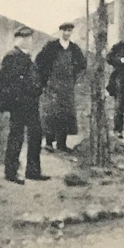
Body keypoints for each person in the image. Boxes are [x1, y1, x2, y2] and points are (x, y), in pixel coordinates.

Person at [0, 26, 46, 183]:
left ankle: (33, 170)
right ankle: (11, 172)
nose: (27, 41)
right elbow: (5, 82)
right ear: (17, 40)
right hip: (19, 104)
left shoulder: (26, 56)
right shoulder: (12, 57)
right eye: (23, 38)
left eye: (29, 38)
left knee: (35, 135)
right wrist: (12, 102)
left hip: (31, 103)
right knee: (16, 136)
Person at [35, 23, 87, 154]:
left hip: (67, 87)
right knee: (51, 113)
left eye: (69, 31)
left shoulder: (74, 49)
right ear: (60, 32)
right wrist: (45, 80)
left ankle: (61, 144)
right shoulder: (51, 46)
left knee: (65, 114)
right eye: (65, 31)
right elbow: (39, 62)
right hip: (52, 85)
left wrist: (74, 78)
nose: (67, 33)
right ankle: (48, 142)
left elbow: (82, 65)